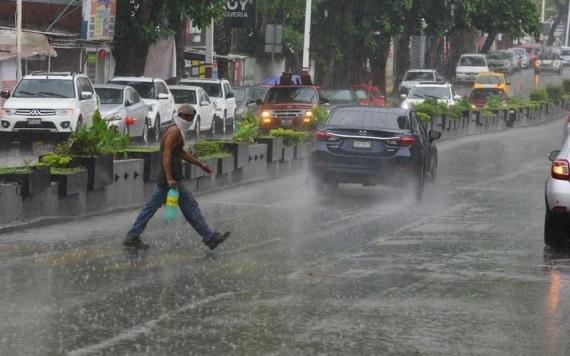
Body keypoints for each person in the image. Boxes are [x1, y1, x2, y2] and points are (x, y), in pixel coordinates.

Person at [123, 104, 230, 250]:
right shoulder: (174, 131)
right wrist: (169, 178)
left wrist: (199, 164)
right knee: (188, 208)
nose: (191, 121)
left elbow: (179, 152)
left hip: (172, 178)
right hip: (172, 179)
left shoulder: (178, 129)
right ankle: (209, 237)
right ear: (184, 117)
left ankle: (132, 236)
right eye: (190, 118)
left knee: (160, 208)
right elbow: (166, 154)